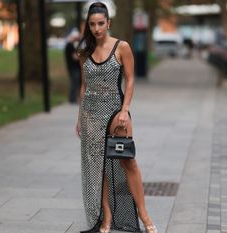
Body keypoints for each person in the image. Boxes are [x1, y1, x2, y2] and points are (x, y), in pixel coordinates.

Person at [75, 2, 157, 233]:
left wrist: (125, 109)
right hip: (91, 112)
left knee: (128, 160)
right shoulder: (85, 51)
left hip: (116, 110)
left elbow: (130, 80)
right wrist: (80, 117)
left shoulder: (122, 47)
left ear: (108, 23)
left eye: (101, 23)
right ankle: (107, 216)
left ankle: (143, 213)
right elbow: (84, 86)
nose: (97, 28)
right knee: (98, 166)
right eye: (92, 24)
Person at [64, 29, 81, 103]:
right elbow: (75, 57)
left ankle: (73, 98)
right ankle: (72, 99)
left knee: (75, 83)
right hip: (73, 68)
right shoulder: (70, 45)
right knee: (74, 83)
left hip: (73, 68)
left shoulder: (70, 45)